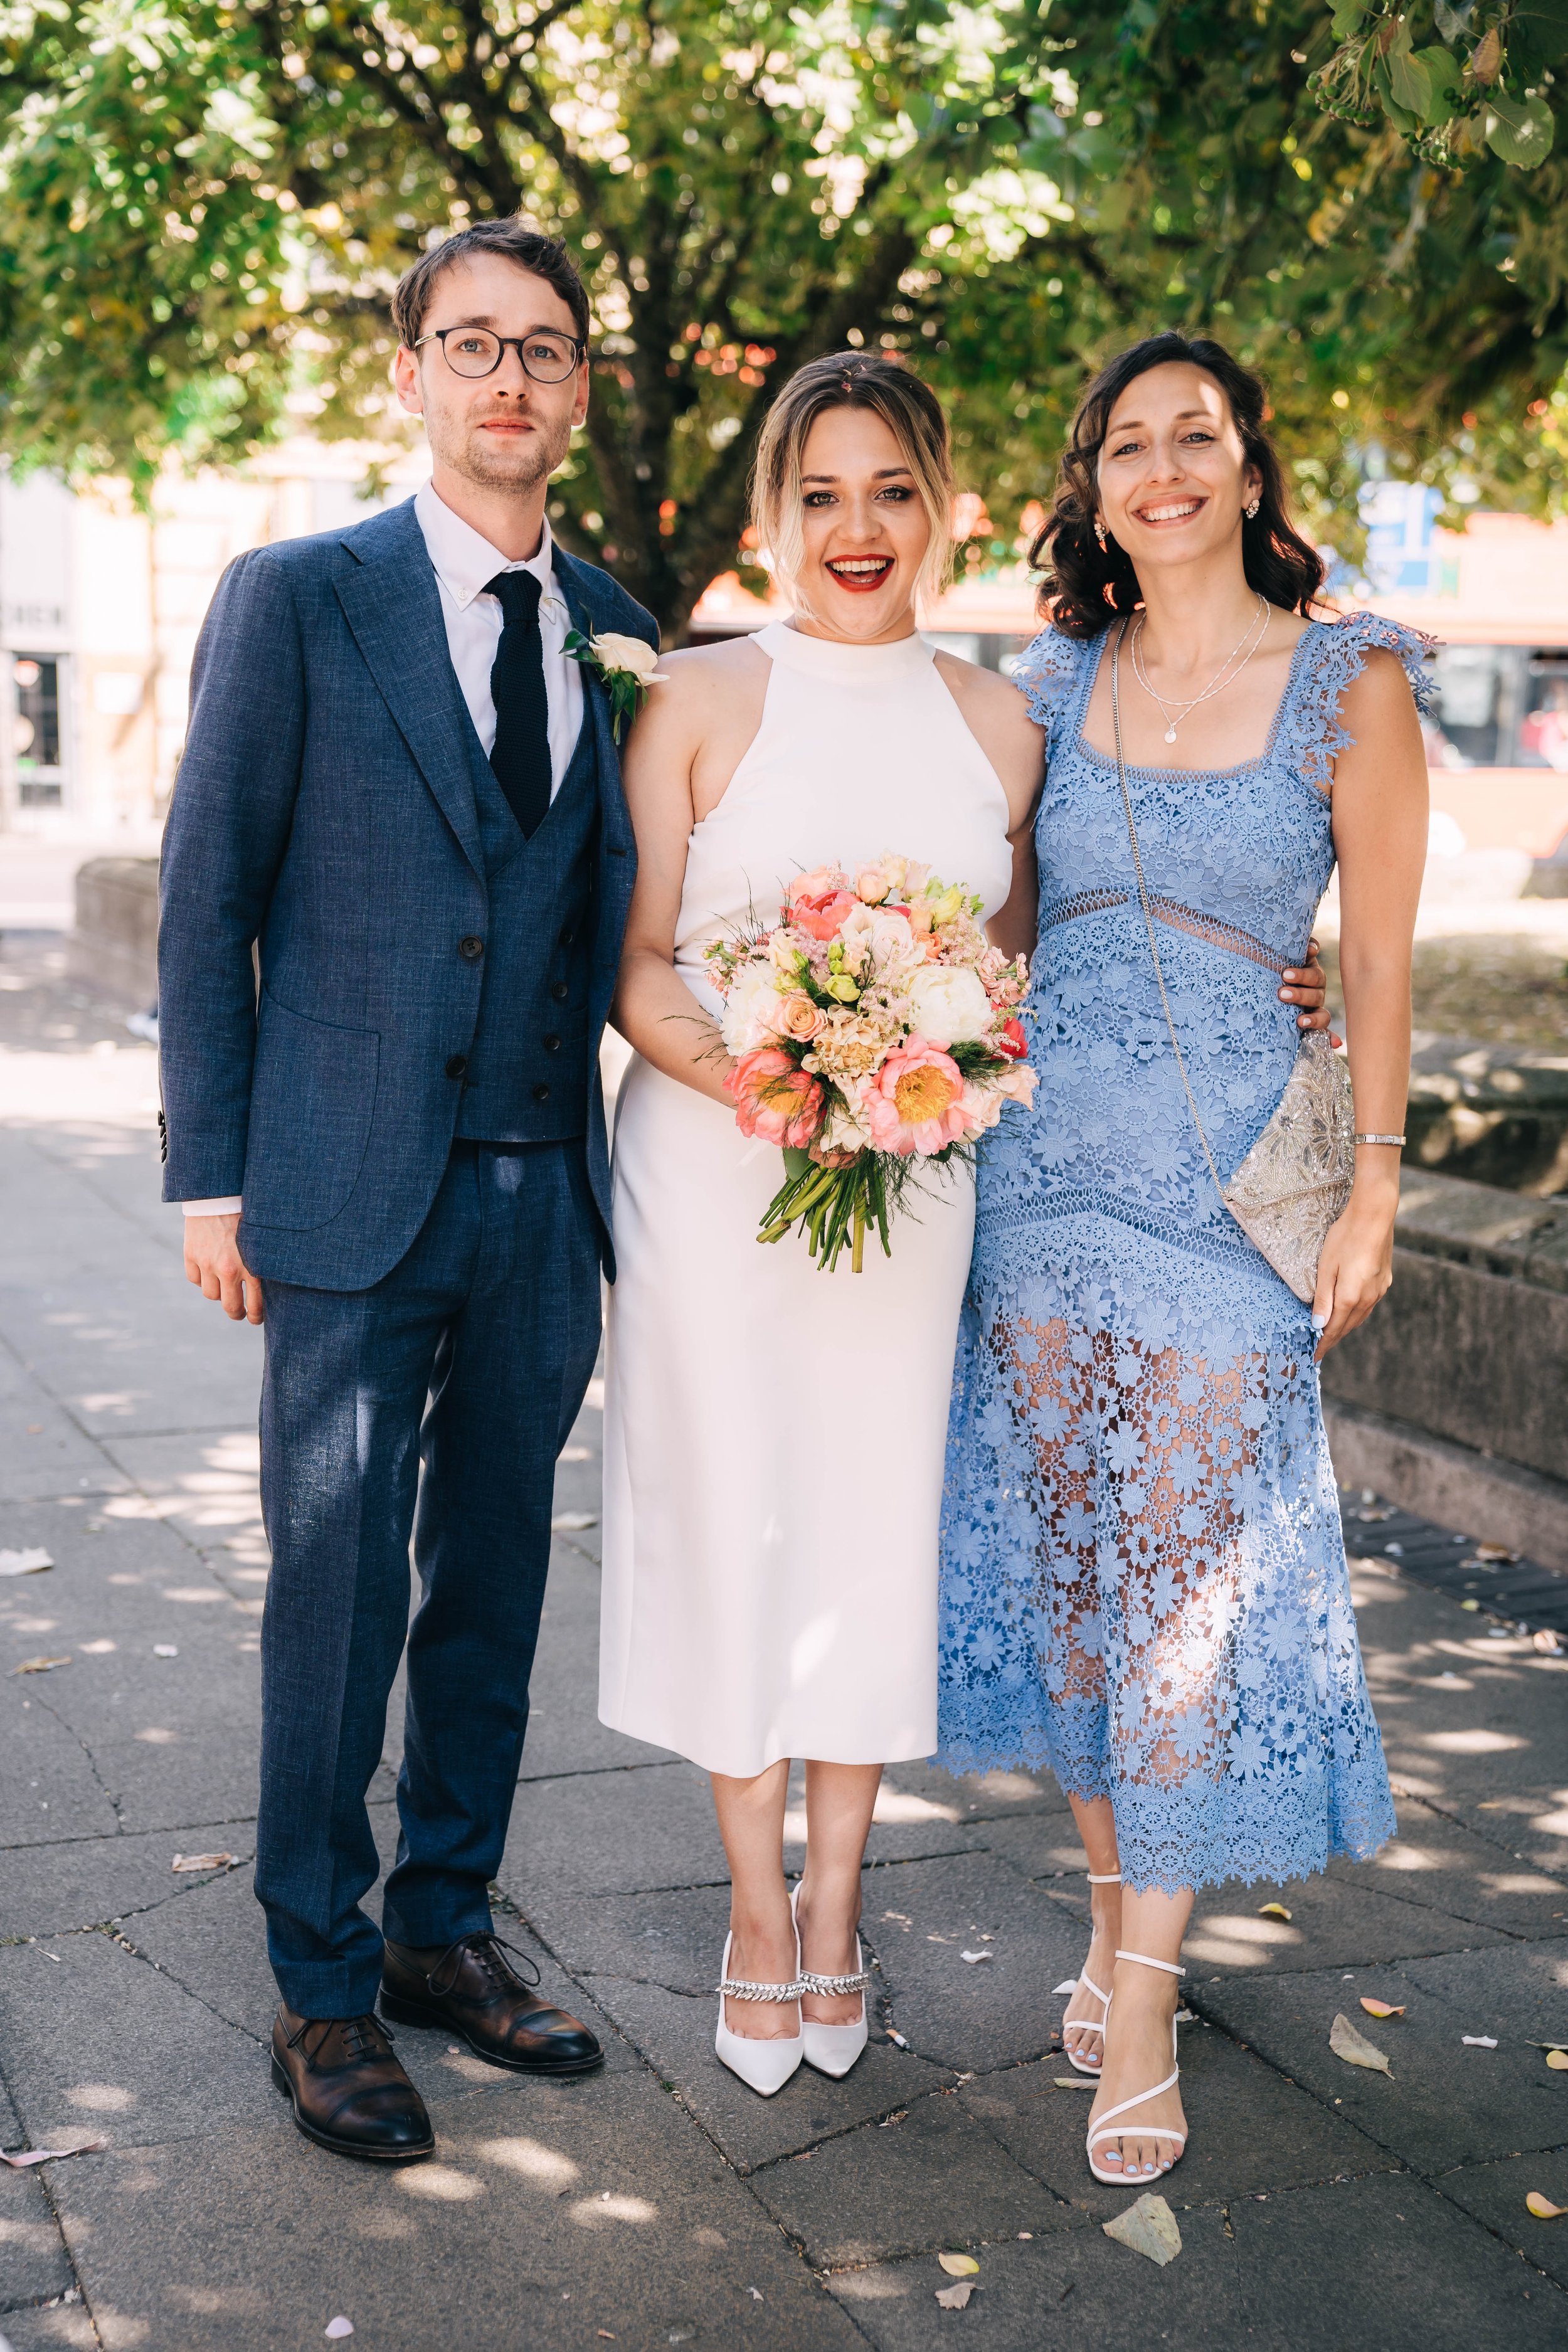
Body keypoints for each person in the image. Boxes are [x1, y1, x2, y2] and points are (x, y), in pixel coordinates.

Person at [599, 348, 1333, 2099]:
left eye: (892, 491)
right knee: (725, 1528)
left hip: (919, 1185)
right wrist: (772, 1080)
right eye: (820, 494)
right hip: (716, 1174)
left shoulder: (1005, 718)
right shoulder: (691, 698)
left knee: (869, 1530)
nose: (858, 529)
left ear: (943, 505)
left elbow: (1046, 953)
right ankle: (752, 1919)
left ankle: (837, 1908)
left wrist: (1272, 975)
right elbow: (632, 963)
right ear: (775, 511)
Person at [159, 220, 653, 2161]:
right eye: (469, 346)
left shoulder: (615, 619)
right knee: (337, 1585)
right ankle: (320, 1980)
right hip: (344, 1187)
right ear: (412, 377)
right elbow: (209, 908)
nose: (506, 381)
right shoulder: (298, 597)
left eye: (540, 349)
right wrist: (211, 1182)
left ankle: (447, 1928)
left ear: (581, 391)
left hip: (543, 1188)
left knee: (496, 1585)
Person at [938, 333, 1427, 2188]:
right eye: (1125, 444)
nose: (1161, 470)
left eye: (1193, 438)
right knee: (1080, 1574)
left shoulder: (1351, 679)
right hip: (1042, 1176)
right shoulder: (1044, 686)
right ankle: (1115, 1919)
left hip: (1233, 1190)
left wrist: (1371, 1186)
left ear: (1245, 466)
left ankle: (1143, 2001)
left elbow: (1373, 960)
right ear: (1092, 482)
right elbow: (992, 924)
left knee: (1185, 1592)